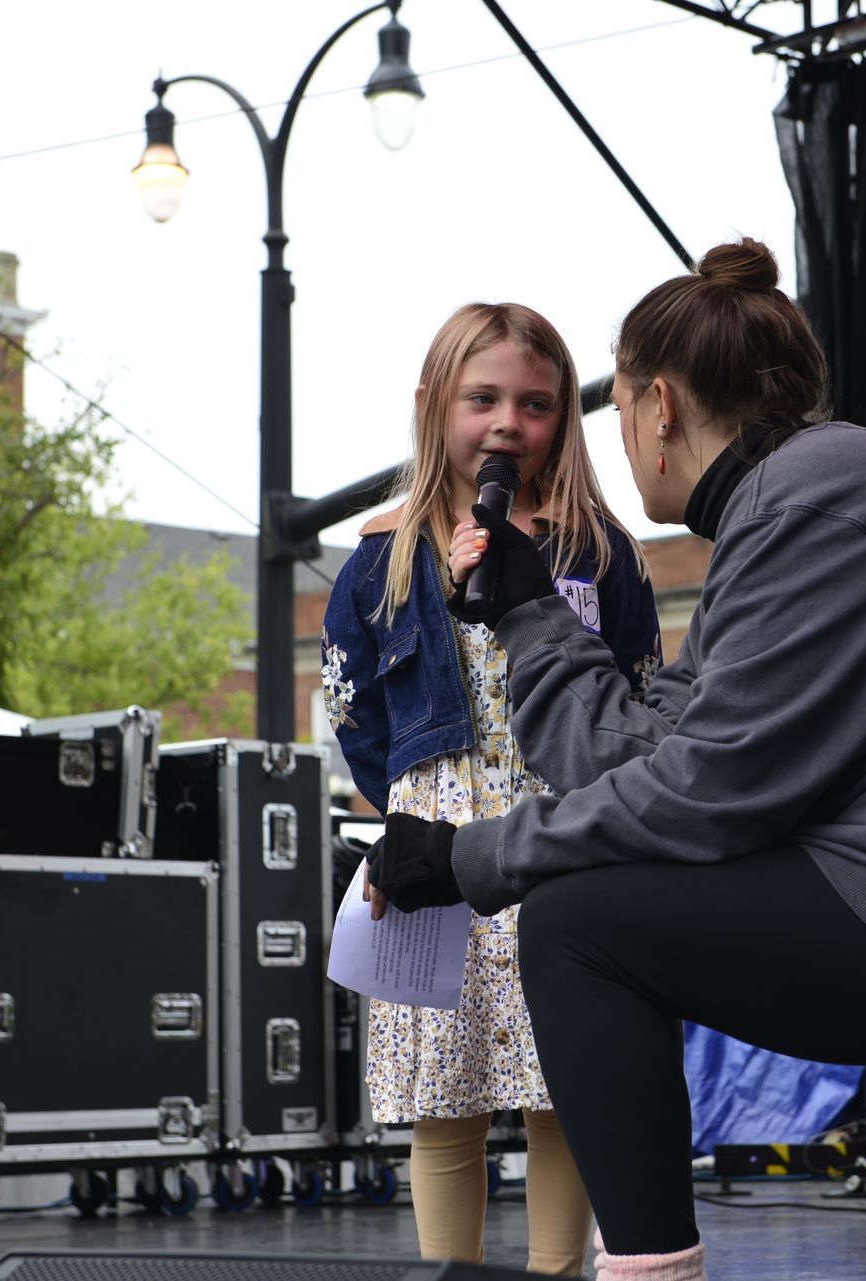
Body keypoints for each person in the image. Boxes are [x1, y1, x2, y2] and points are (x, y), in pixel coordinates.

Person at [371, 239, 866, 1280]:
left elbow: (711, 793)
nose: (621, 444)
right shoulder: (796, 503)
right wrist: (530, 612)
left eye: (616, 415)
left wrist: (471, 859)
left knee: (580, 925)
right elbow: (631, 753)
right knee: (588, 905)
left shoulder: (817, 503)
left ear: (660, 406)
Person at [322, 301, 661, 1275]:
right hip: (435, 833)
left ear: (567, 418)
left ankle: (558, 1270)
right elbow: (356, 715)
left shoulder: (596, 550)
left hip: (557, 823)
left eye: (536, 402)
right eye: (483, 398)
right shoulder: (382, 558)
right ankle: (452, 1270)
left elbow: (637, 692)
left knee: (563, 1079)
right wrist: (417, 799)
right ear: (434, 407)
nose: (508, 422)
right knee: (446, 1090)